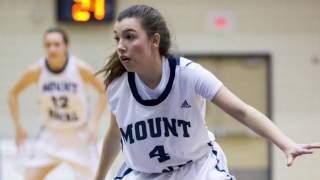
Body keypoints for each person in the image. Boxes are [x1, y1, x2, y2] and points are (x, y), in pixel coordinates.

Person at [95, 5, 320, 180]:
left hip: (196, 170)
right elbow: (116, 134)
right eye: (117, 38)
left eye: (130, 36)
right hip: (143, 173)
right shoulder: (117, 85)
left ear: (155, 40)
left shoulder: (188, 74)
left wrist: (285, 143)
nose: (121, 45)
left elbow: (242, 111)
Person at [8, 28, 106, 180]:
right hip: (51, 135)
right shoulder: (36, 70)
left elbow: (104, 91)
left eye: (56, 44)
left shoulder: (79, 68)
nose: (52, 49)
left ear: (66, 46)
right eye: (48, 45)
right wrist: (18, 127)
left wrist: (94, 122)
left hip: (79, 135)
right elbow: (13, 93)